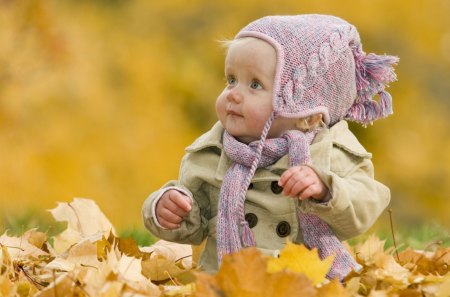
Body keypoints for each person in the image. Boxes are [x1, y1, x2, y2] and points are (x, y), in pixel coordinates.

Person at [142, 14, 398, 280]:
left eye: (255, 85)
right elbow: (193, 228)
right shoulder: (212, 152)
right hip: (227, 281)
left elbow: (365, 203)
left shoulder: (328, 151)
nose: (233, 93)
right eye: (230, 79)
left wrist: (326, 190)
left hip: (305, 284)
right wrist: (167, 210)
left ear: (307, 113)